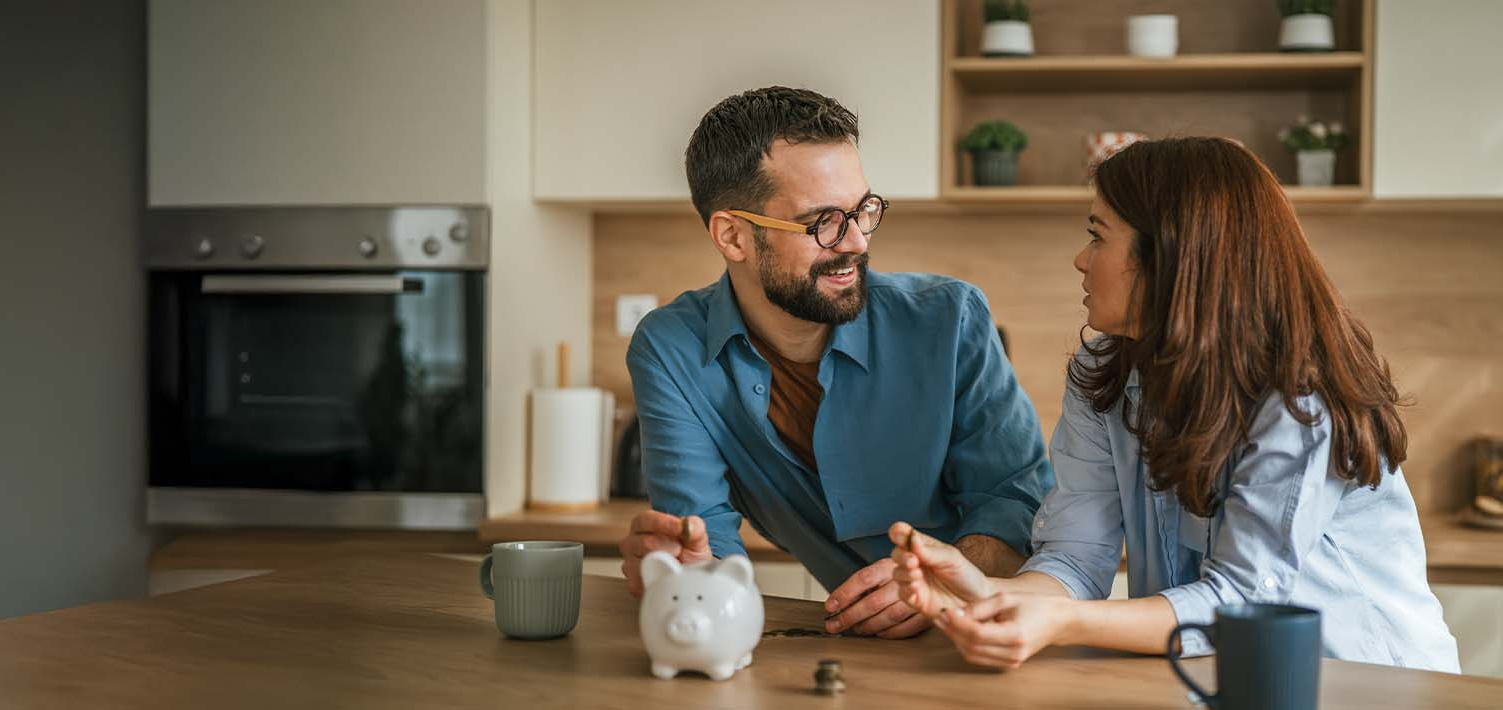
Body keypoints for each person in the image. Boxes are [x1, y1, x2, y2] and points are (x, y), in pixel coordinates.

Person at [889, 136, 1461, 672]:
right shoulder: (1103, 376)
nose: (1080, 260)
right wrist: (989, 591)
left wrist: (1062, 621)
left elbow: (1239, 602)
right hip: (1220, 677)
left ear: (1169, 256)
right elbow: (1074, 555)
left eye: (1097, 235)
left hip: (1370, 683)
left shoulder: (1298, 395)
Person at [618, 86, 1052, 639]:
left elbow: (1019, 502)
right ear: (732, 236)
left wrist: (939, 576)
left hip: (987, 630)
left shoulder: (952, 318)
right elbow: (706, 551)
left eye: (862, 210)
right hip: (854, 655)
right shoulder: (670, 348)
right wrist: (686, 574)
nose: (854, 242)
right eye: (822, 221)